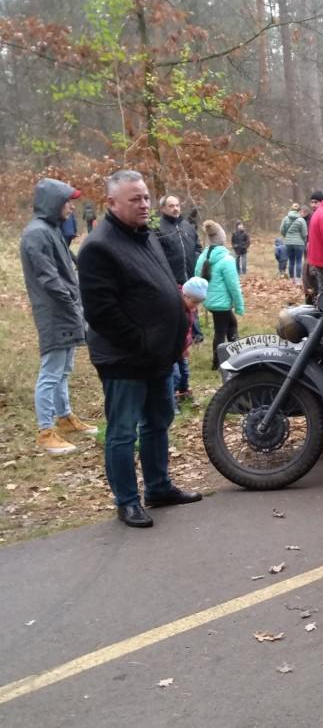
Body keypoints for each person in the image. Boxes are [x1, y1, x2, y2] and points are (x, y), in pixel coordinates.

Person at [77, 169, 201, 528]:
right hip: (125, 359)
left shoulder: (147, 237)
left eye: (146, 197)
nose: (145, 204)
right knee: (122, 432)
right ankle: (127, 501)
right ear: (112, 203)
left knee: (158, 423)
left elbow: (160, 287)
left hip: (159, 355)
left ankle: (159, 487)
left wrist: (179, 319)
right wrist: (144, 342)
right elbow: (102, 313)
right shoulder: (99, 247)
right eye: (135, 199)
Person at [20, 178, 98, 455]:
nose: (71, 206)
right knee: (51, 372)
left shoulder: (51, 229)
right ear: (53, 202)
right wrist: (69, 302)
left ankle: (64, 417)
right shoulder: (36, 234)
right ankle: (45, 431)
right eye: (67, 201)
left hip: (67, 309)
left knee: (64, 369)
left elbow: (66, 268)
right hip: (54, 312)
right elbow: (48, 277)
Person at [196, 220, 245, 368]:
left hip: (210, 301)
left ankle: (236, 356)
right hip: (221, 304)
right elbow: (234, 286)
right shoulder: (227, 259)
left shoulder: (203, 256)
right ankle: (217, 362)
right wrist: (239, 305)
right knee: (221, 330)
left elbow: (197, 276)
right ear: (222, 239)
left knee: (231, 324)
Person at [173, 276, 208, 405]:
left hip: (182, 348)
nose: (196, 306)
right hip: (172, 349)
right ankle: (173, 398)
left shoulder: (189, 308)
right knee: (174, 376)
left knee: (185, 372)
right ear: (185, 296)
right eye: (195, 302)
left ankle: (184, 393)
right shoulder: (175, 308)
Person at [156, 194, 201, 286]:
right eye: (171, 206)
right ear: (162, 208)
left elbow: (198, 248)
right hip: (169, 283)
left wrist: (196, 260)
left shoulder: (188, 226)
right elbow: (156, 256)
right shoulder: (157, 228)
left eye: (177, 205)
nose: (175, 208)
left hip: (191, 281)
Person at [280, 203, 307, 281]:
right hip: (299, 243)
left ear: (291, 209)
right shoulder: (301, 220)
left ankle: (292, 280)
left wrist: (287, 236)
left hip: (288, 243)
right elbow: (304, 233)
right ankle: (298, 280)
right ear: (298, 211)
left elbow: (282, 230)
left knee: (291, 261)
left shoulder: (285, 218)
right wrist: (303, 240)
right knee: (298, 261)